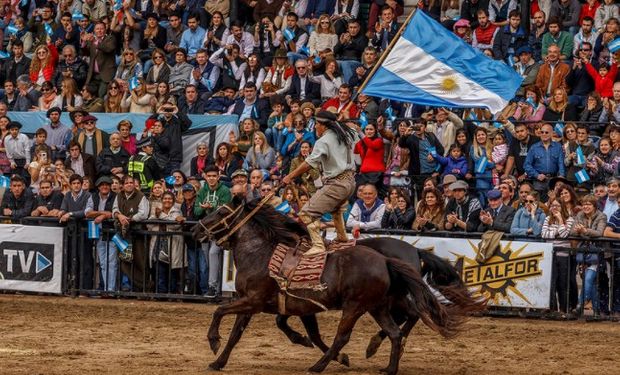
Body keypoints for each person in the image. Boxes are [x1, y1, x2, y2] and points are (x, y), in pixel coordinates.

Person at [283, 110, 358, 254]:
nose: (315, 127)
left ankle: (318, 246)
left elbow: (308, 163)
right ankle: (342, 237)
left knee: (306, 213)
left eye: (317, 124)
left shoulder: (323, 141)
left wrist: (290, 176)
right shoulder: (348, 133)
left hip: (337, 183)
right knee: (336, 209)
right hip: (350, 182)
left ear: (323, 126)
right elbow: (355, 130)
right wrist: (343, 120)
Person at [194, 165, 232, 298]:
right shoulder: (202, 191)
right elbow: (196, 210)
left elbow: (225, 210)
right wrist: (205, 209)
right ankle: (215, 288)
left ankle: (212, 287)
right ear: (204, 176)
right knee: (208, 260)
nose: (211, 178)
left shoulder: (225, 190)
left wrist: (211, 208)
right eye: (208, 176)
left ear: (218, 176)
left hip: (220, 230)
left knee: (213, 253)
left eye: (214, 176)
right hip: (206, 231)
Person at [112, 175, 150, 291]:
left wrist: (129, 219)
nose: (129, 184)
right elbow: (114, 209)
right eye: (127, 183)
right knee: (124, 261)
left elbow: (143, 214)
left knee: (140, 261)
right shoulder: (119, 196)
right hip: (123, 234)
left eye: (131, 182)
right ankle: (131, 288)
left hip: (137, 233)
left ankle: (144, 288)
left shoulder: (141, 196)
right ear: (122, 185)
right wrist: (119, 216)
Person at [571, 194, 607, 315]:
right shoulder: (580, 215)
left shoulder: (601, 216)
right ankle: (596, 311)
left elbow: (599, 233)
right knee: (591, 283)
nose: (585, 206)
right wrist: (581, 232)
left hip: (596, 254)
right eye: (584, 204)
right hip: (583, 254)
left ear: (595, 205)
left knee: (588, 279)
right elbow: (572, 232)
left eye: (589, 204)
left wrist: (584, 231)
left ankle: (581, 304)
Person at [543, 198, 577, 315]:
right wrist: (556, 233)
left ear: (562, 207)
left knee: (563, 283)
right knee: (551, 283)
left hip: (564, 255)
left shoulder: (570, 220)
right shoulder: (547, 219)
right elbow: (544, 235)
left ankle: (564, 309)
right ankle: (553, 309)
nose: (554, 208)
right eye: (552, 205)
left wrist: (560, 220)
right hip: (550, 254)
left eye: (557, 206)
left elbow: (564, 235)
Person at [58, 174, 93, 289]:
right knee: (71, 259)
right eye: (74, 183)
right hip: (71, 233)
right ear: (71, 185)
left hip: (84, 233)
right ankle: (72, 286)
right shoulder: (67, 195)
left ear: (82, 184)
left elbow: (87, 211)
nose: (76, 185)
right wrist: (61, 212)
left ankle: (85, 289)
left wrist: (71, 214)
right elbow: (63, 208)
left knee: (85, 261)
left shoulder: (88, 195)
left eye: (78, 183)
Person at [148, 191, 186, 294]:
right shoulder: (156, 211)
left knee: (172, 272)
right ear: (162, 200)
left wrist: (161, 215)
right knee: (159, 271)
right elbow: (149, 225)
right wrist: (157, 216)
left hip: (172, 246)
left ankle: (172, 294)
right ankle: (161, 294)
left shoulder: (177, 211)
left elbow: (175, 226)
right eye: (165, 198)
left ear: (173, 201)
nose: (167, 201)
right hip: (158, 244)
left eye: (169, 199)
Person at [84, 176, 117, 292]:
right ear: (98, 187)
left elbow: (115, 213)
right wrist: (103, 214)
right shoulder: (93, 197)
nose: (104, 187)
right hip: (99, 233)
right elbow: (87, 213)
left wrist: (101, 215)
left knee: (111, 263)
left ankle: (110, 289)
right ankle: (107, 289)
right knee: (103, 263)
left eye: (107, 185)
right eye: (102, 185)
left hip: (112, 234)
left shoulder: (115, 197)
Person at [524, 123, 566, 199]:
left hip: (554, 180)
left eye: (546, 132)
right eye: (542, 132)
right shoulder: (534, 147)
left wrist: (561, 177)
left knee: (554, 201)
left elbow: (561, 163)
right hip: (538, 181)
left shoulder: (558, 146)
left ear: (551, 133)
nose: (544, 134)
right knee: (539, 203)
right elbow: (526, 165)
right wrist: (537, 175)